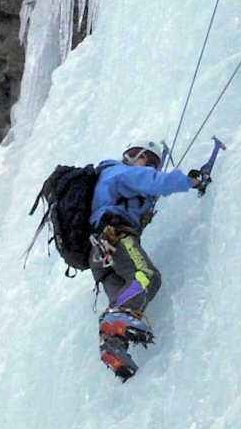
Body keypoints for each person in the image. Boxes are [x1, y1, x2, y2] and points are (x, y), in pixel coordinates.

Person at [91, 139, 214, 380]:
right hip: (116, 238)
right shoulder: (121, 172)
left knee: (127, 295)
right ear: (136, 155)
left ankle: (113, 345)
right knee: (146, 277)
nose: (152, 168)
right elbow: (155, 181)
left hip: (99, 254)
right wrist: (193, 181)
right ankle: (115, 317)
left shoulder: (110, 181)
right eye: (150, 162)